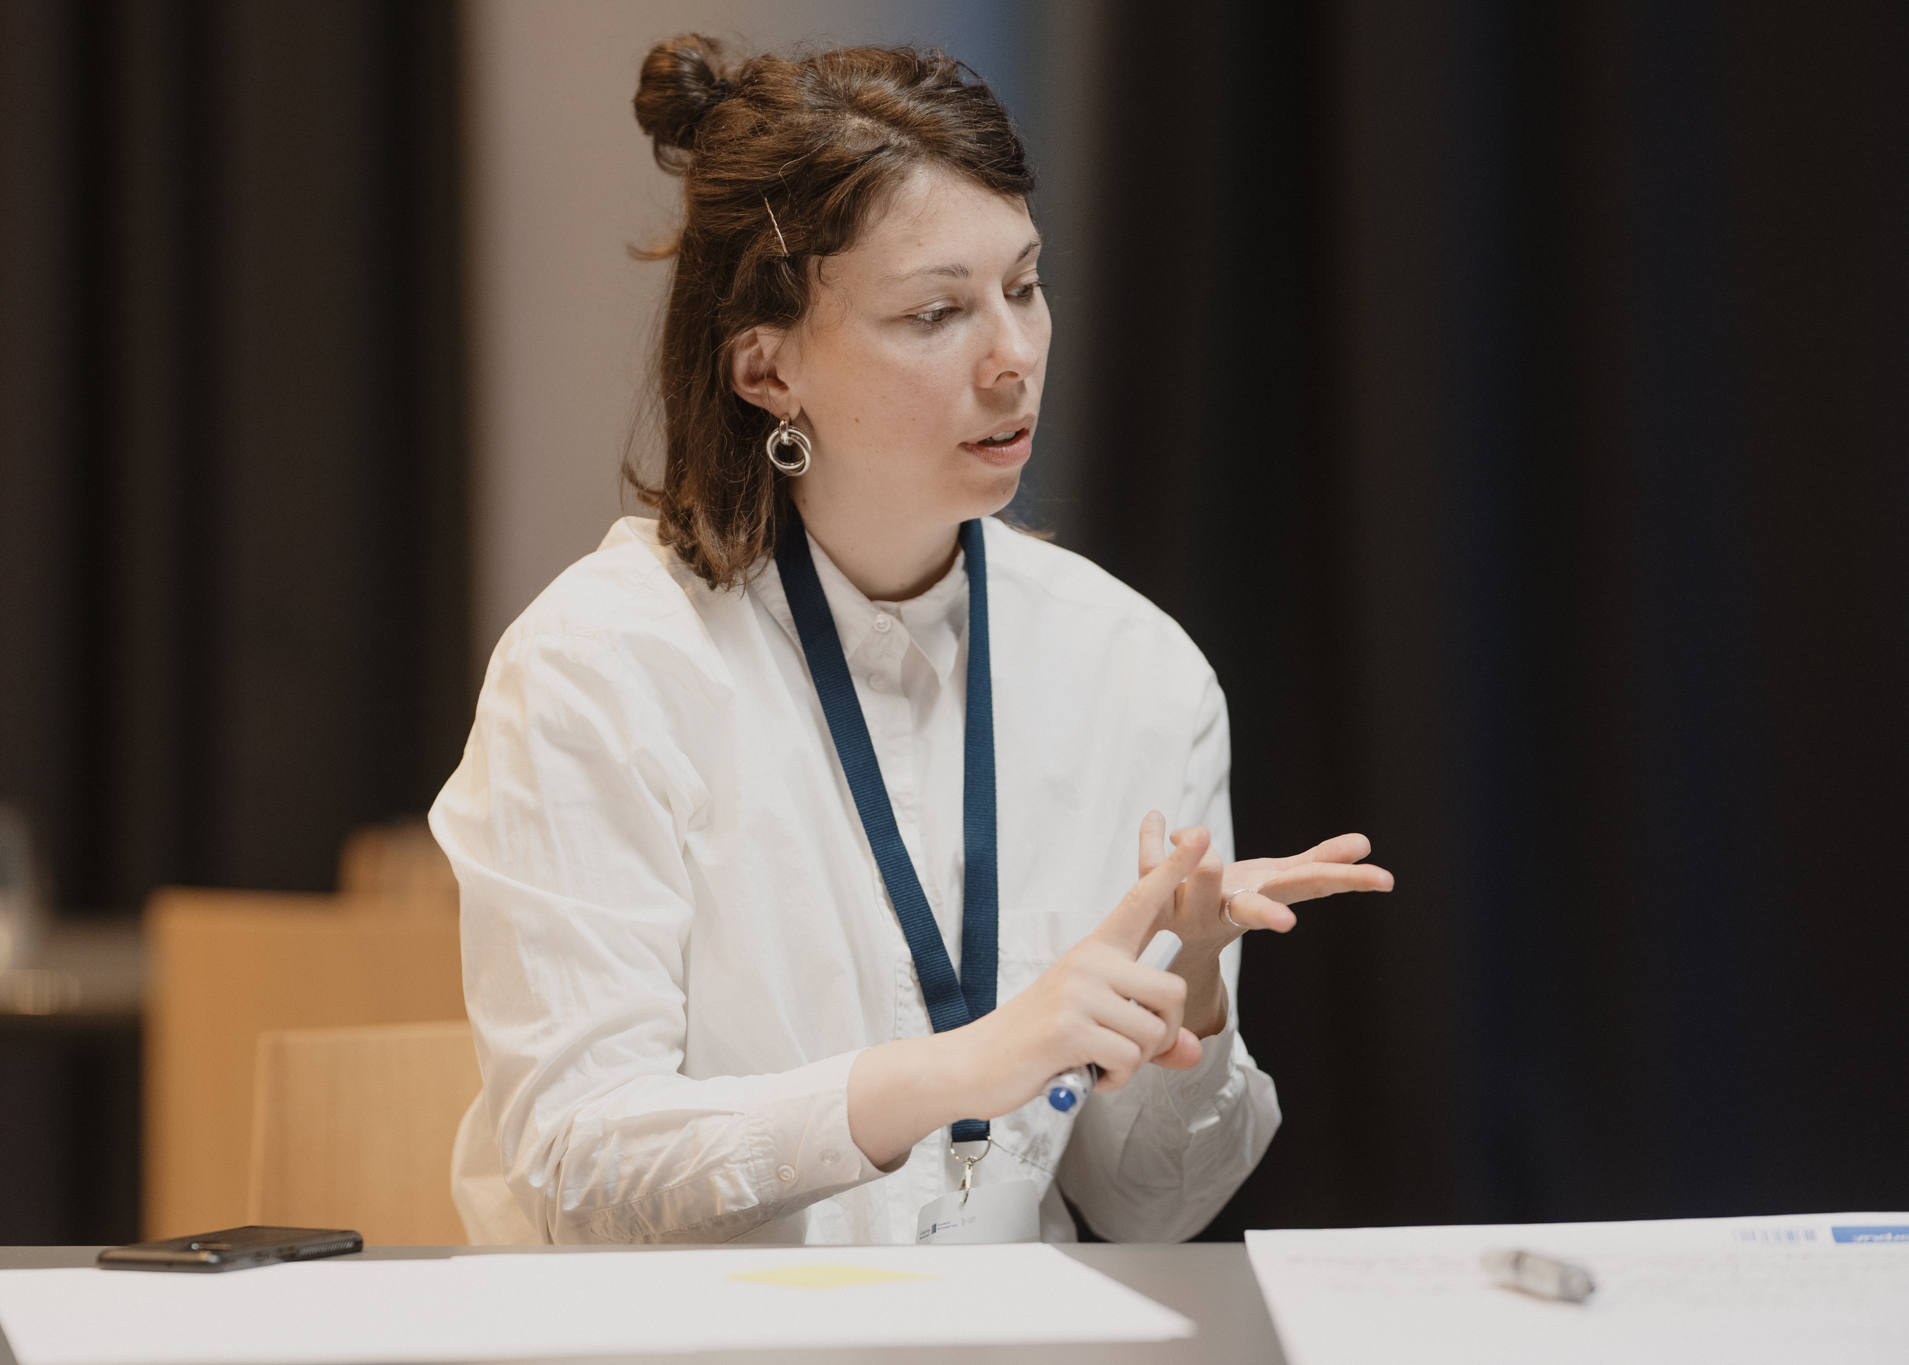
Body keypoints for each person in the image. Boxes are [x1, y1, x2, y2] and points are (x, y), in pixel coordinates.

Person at [431, 35, 1392, 1247]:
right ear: (765, 367)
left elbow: (1151, 1208)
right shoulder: (599, 667)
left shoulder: (1134, 671)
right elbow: (578, 1164)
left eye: (1023, 287)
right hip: (714, 1335)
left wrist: (1186, 995)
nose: (1013, 356)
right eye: (935, 312)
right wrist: (967, 1064)